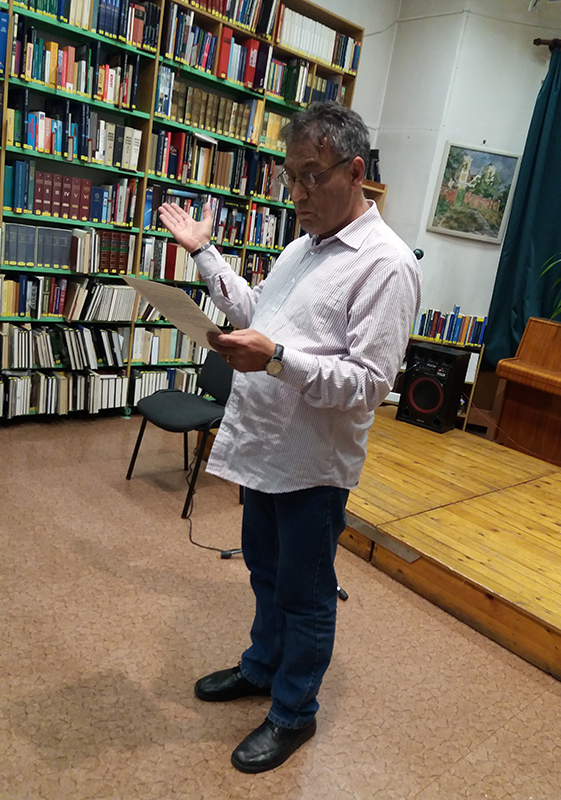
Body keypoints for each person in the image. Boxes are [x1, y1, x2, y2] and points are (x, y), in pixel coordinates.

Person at [158, 101, 421, 774]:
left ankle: (294, 712)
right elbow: (259, 313)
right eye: (290, 176)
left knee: (305, 594)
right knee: (265, 572)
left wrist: (275, 358)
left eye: (312, 175)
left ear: (355, 172)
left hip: (312, 466)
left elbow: (368, 384)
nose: (297, 194)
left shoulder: (387, 265)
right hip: (264, 451)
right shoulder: (303, 246)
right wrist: (204, 254)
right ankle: (262, 666)